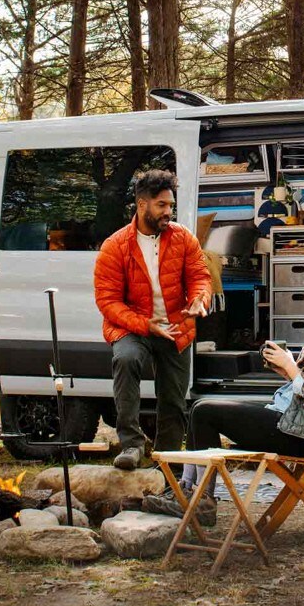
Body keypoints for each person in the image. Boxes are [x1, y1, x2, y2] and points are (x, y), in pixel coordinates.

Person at [142, 269, 304, 524]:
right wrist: (287, 370)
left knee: (204, 412)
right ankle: (188, 491)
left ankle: (201, 501)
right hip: (294, 425)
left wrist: (290, 366)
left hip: (296, 434)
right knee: (201, 407)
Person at [94, 169, 212, 470]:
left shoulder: (183, 238)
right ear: (142, 204)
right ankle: (132, 445)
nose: (168, 212)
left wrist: (199, 299)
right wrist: (145, 325)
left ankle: (167, 463)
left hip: (176, 326)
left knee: (173, 399)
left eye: (170, 205)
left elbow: (200, 277)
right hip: (134, 325)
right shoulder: (114, 246)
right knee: (126, 359)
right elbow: (108, 301)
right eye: (161, 205)